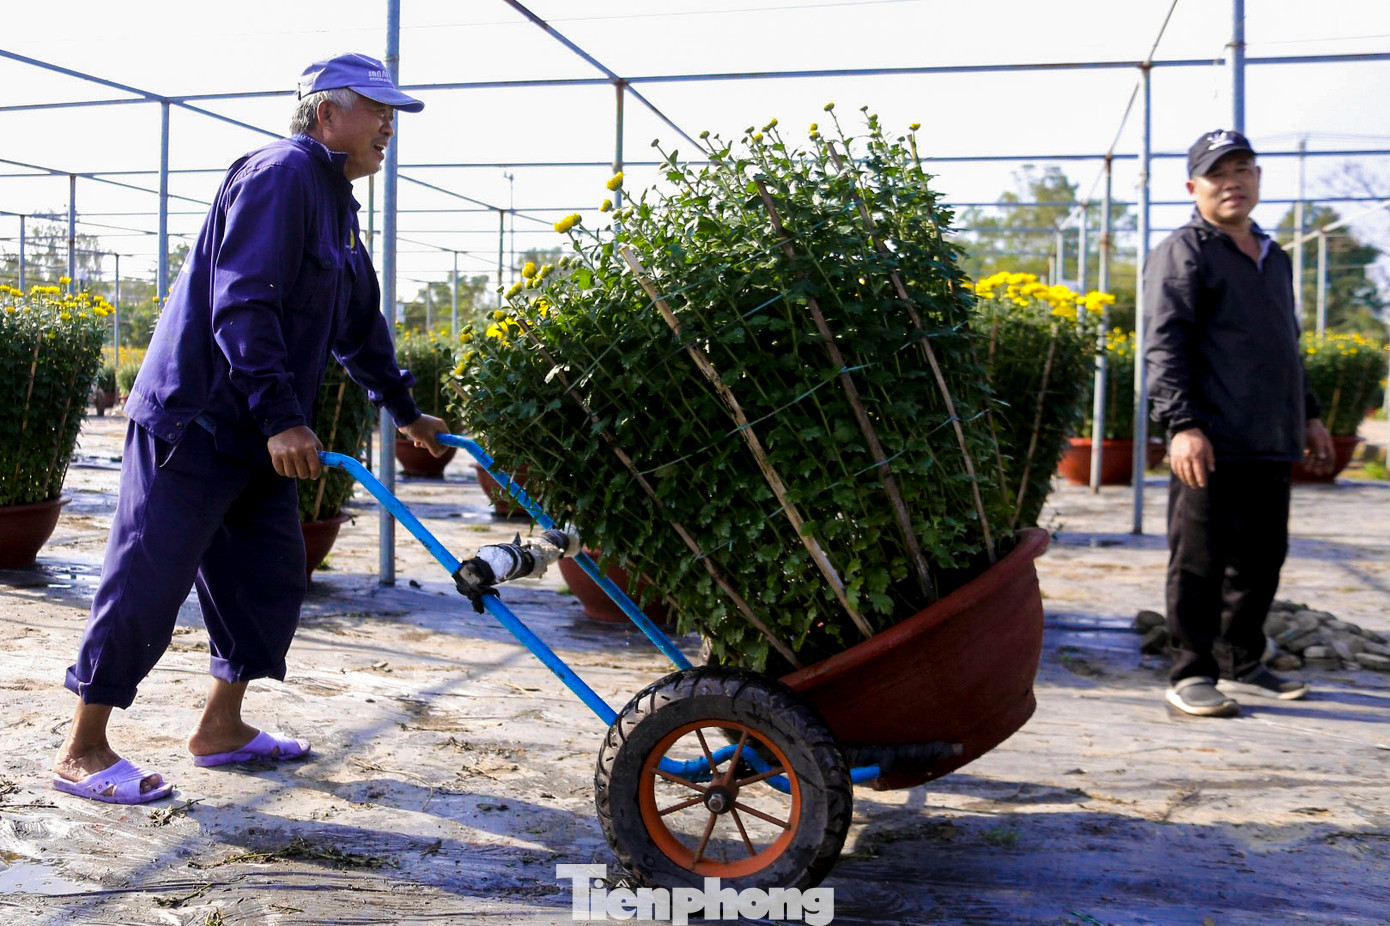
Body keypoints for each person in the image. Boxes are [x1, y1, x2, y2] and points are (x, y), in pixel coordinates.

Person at [52, 54, 450, 803]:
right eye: (378, 109)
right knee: (148, 581)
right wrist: (282, 418)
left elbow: (358, 327)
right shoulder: (281, 174)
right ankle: (83, 747)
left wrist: (406, 413)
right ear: (328, 114)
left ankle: (220, 730)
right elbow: (244, 302)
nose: (389, 126)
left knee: (266, 584)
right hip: (196, 421)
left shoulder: (337, 205)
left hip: (255, 435)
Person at [1144, 128, 1334, 718]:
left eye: (1242, 171)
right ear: (1192, 187)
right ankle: (1191, 671)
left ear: (1257, 179)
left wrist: (1309, 415)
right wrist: (1182, 425)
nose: (1232, 183)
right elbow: (1163, 345)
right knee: (1199, 559)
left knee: (1260, 559)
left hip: (1269, 440)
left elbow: (1286, 345)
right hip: (1210, 439)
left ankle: (1242, 660)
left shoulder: (1273, 255)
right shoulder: (1185, 251)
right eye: (1217, 174)